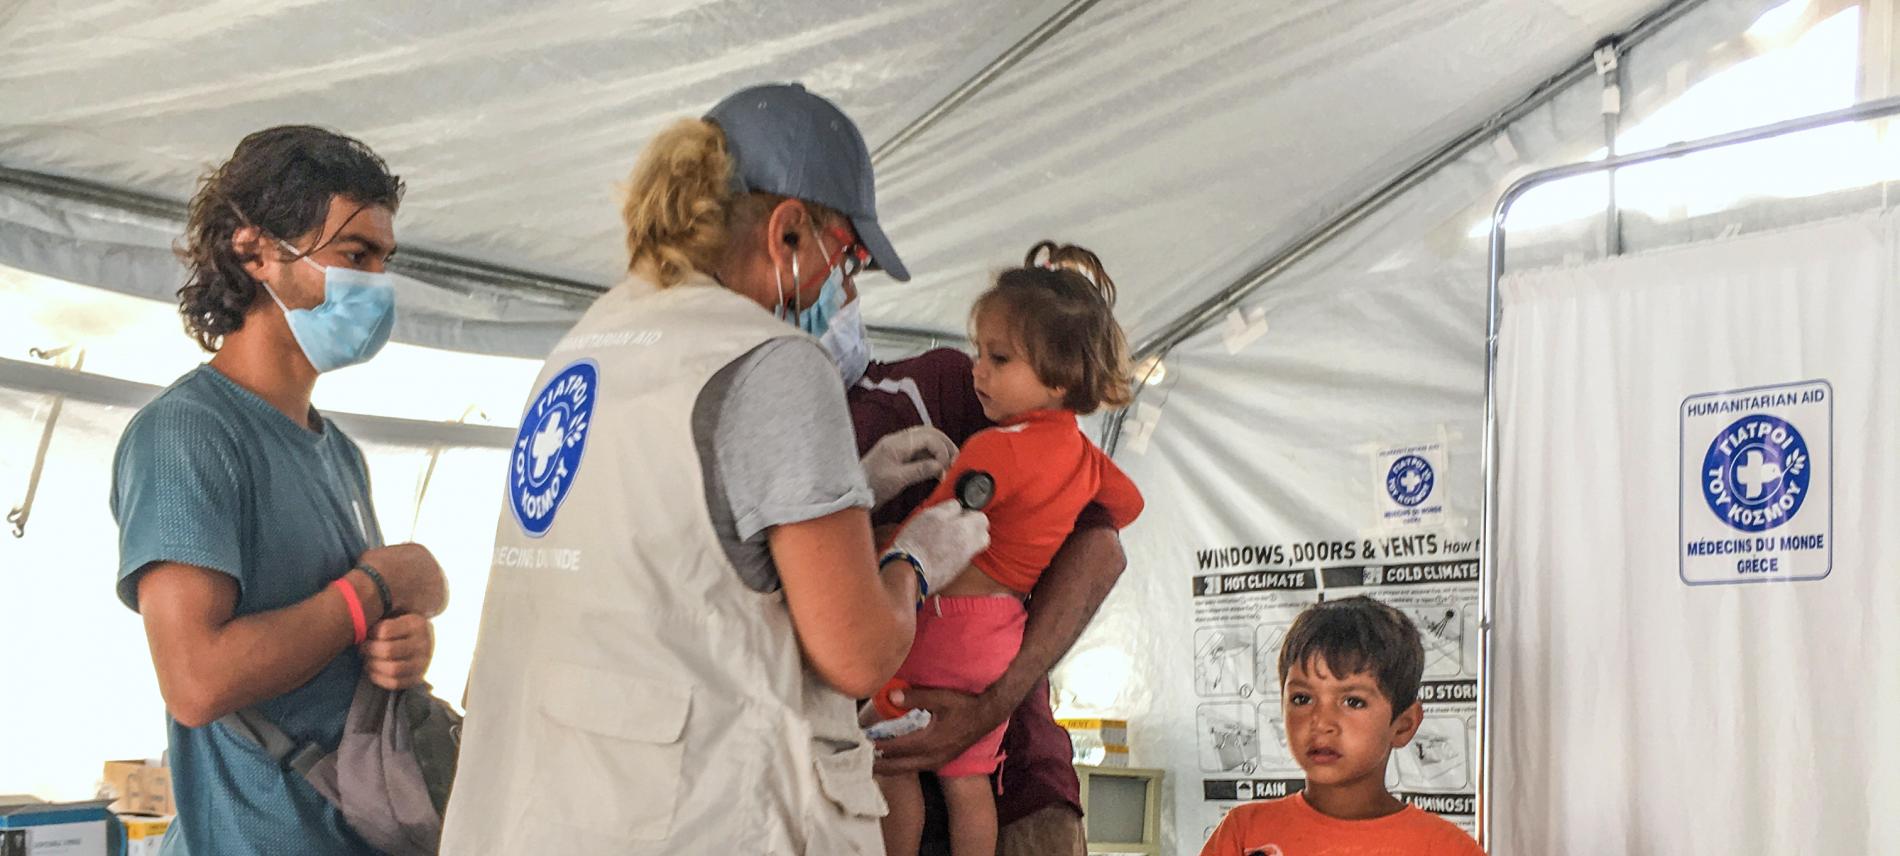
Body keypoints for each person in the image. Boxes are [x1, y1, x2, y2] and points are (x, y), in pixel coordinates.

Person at [438, 83, 991, 855]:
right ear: (788, 230)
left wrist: (848, 485)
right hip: (691, 820)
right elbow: (858, 651)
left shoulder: (588, 348)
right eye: (851, 255)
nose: (852, 287)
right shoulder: (772, 364)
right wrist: (916, 558)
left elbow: (669, 544)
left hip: (545, 812)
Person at [110, 125, 451, 856]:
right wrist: (375, 590)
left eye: (385, 261)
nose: (377, 284)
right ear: (255, 250)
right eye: (355, 256)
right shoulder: (187, 436)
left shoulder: (341, 454)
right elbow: (197, 681)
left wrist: (401, 645)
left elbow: (339, 643)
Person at [864, 242, 1145, 856]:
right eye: (979, 354)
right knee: (969, 784)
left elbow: (930, 527)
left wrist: (873, 543)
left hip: (942, 623)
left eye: (997, 357)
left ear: (1059, 375)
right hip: (1003, 632)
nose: (978, 371)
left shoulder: (992, 447)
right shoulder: (1087, 458)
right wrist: (1046, 524)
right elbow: (1125, 509)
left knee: (891, 757)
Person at [1198, 597, 1485, 856]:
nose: (1321, 722)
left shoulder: (1447, 849)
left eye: (1353, 702)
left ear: (1403, 726)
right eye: (1302, 698)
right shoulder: (1243, 833)